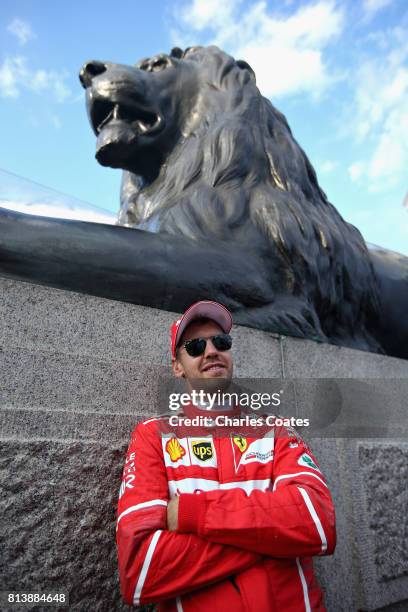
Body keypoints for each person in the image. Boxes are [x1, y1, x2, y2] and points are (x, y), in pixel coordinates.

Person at [116, 300, 336, 611]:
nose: (210, 351)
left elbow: (317, 522)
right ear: (177, 367)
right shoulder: (153, 436)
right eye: (194, 346)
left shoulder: (274, 429)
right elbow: (140, 569)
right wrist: (275, 537)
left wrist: (194, 513)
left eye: (221, 341)